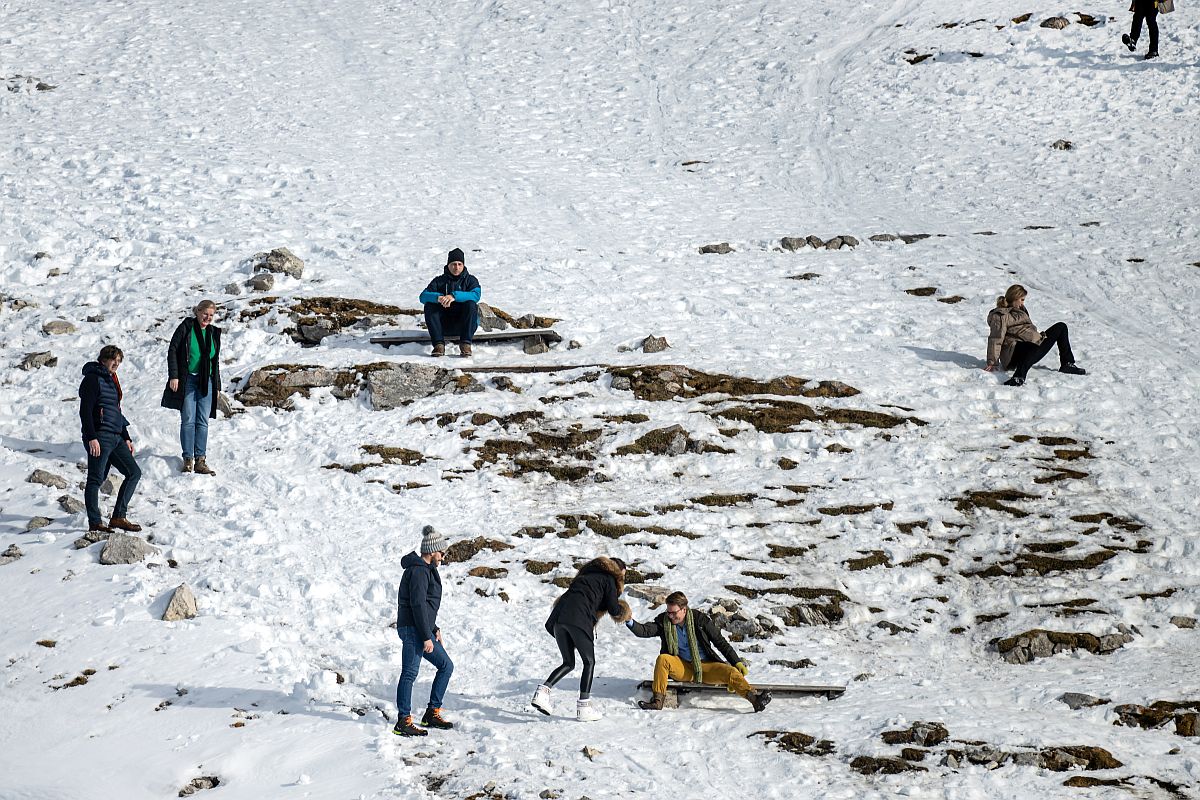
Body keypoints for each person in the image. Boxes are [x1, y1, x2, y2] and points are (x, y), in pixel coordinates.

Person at [626, 591, 771, 713]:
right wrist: (628, 620)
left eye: (673, 612)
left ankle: (755, 700)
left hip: (706, 666)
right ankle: (657, 701)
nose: (670, 616)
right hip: (683, 667)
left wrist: (736, 661)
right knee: (663, 659)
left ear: (684, 609)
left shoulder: (700, 620)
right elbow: (644, 631)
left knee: (731, 672)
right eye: (668, 612)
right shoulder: (664, 622)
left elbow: (720, 642)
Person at [531, 557, 631, 722]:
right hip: (578, 619)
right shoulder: (609, 579)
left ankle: (542, 693)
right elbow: (614, 609)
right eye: (623, 575)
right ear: (617, 571)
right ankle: (584, 707)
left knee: (569, 663)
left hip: (558, 620)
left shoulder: (584, 577)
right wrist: (624, 611)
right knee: (589, 662)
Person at [394, 525, 455, 737]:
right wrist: (425, 635)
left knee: (446, 666)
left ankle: (432, 713)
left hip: (421, 629)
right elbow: (417, 605)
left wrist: (433, 628)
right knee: (409, 673)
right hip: (413, 630)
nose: (443, 557)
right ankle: (403, 721)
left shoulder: (426, 570)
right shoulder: (419, 571)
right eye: (442, 552)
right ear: (432, 551)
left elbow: (426, 606)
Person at [78, 345, 142, 534]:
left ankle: (118, 517)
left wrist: (127, 437)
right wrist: (91, 437)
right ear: (103, 359)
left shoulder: (112, 381)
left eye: (119, 361)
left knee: (134, 473)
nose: (116, 364)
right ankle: (95, 522)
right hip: (100, 436)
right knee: (96, 479)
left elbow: (116, 412)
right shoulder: (92, 379)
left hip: (116, 437)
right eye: (114, 359)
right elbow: (85, 411)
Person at [161, 300, 223, 474]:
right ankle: (188, 459)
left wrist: (217, 385)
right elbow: (173, 350)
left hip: (207, 381)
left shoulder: (213, 333)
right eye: (205, 314)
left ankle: (200, 460)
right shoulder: (187, 327)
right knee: (188, 419)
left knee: (202, 421)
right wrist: (174, 375)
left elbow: (214, 361)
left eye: (211, 315)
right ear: (197, 311)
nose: (207, 318)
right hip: (188, 379)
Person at [984, 284, 1086, 387]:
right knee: (1029, 346)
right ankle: (1018, 376)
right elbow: (996, 338)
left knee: (1061, 327)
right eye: (1022, 299)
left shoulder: (1021, 311)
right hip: (1012, 354)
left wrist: (1039, 337)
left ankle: (1067, 364)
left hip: (1030, 348)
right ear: (1014, 298)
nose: (1023, 303)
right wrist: (992, 362)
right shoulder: (1001, 315)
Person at [419, 247, 481, 358]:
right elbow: (423, 296)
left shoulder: (471, 280)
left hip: (465, 326)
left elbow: (476, 295)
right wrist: (438, 298)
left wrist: (454, 296)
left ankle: (466, 344)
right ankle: (438, 345)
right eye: (453, 264)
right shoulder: (439, 281)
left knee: (471, 304)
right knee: (429, 305)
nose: (456, 267)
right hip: (443, 326)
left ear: (463, 265)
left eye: (459, 264)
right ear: (448, 265)